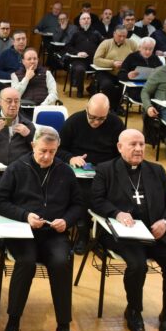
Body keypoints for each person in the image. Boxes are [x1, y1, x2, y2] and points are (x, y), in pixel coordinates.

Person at [0, 126, 81, 331]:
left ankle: (63, 329)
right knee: (26, 262)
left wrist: (67, 220)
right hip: (23, 232)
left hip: (53, 234)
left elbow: (79, 205)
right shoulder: (17, 168)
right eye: (43, 151)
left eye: (52, 152)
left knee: (62, 263)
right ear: (33, 146)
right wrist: (24, 215)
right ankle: (13, 325)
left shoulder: (65, 171)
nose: (47, 156)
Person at [91, 129, 166, 331]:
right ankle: (134, 310)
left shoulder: (156, 170)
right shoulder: (106, 170)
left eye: (141, 144)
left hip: (156, 233)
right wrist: (116, 213)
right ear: (119, 147)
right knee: (137, 265)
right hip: (125, 234)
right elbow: (95, 200)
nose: (138, 149)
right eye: (133, 144)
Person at [57, 93, 125, 254]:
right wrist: (71, 158)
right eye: (92, 117)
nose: (96, 122)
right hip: (78, 172)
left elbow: (121, 154)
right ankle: (83, 231)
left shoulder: (116, 123)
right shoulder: (75, 121)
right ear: (86, 108)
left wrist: (108, 167)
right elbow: (58, 149)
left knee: (111, 191)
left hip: (105, 171)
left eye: (101, 119)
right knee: (83, 193)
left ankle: (104, 234)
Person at [93, 25, 138, 112]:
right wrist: (112, 63)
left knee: (124, 86)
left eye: (124, 36)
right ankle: (111, 107)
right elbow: (96, 60)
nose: (122, 38)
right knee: (108, 85)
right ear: (114, 34)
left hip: (123, 72)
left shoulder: (131, 43)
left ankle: (117, 106)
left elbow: (138, 57)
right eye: (119, 36)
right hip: (106, 72)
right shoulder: (106, 43)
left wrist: (128, 65)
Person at [65, 12, 103, 97]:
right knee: (79, 69)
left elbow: (103, 45)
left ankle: (91, 88)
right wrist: (77, 53)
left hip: (93, 61)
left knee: (102, 71)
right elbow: (67, 46)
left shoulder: (96, 33)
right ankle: (80, 89)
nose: (86, 20)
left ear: (90, 21)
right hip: (79, 60)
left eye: (88, 18)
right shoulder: (76, 33)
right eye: (84, 19)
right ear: (80, 22)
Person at [118, 37, 163, 102]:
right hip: (135, 88)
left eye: (150, 49)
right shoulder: (131, 57)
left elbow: (162, 72)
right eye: (145, 49)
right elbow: (120, 75)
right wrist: (128, 75)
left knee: (161, 96)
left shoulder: (155, 58)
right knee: (148, 98)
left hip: (151, 87)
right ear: (139, 48)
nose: (148, 52)